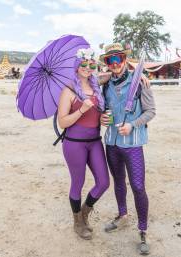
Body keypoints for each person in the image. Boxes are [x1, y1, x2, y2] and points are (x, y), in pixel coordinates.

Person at [100, 43, 156, 255]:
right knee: (118, 182)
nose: (114, 64)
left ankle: (143, 229)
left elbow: (151, 111)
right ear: (106, 63)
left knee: (138, 186)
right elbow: (102, 106)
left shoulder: (140, 81)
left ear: (125, 59)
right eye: (109, 60)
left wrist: (133, 124)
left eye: (118, 59)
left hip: (132, 144)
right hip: (112, 143)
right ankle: (122, 216)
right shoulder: (105, 85)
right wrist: (102, 117)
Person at [58, 48, 110, 240]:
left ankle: (85, 213)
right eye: (84, 64)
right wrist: (81, 110)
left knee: (104, 182)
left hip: (95, 141)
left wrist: (103, 117)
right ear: (77, 66)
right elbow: (62, 122)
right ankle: (77, 221)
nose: (88, 68)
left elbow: (113, 75)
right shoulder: (68, 90)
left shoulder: (97, 87)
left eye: (91, 65)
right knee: (77, 183)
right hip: (74, 144)